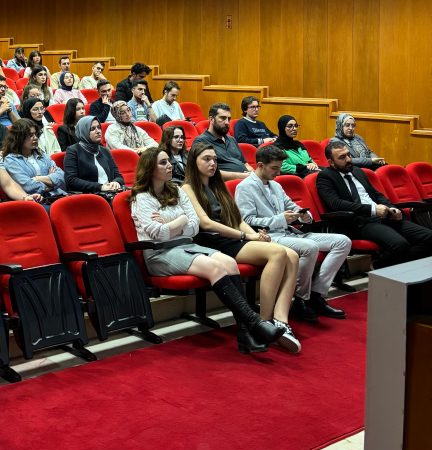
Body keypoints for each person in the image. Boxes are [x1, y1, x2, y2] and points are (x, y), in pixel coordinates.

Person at [131, 147, 283, 355]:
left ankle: (245, 333)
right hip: (160, 253)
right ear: (150, 168)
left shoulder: (176, 190)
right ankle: (253, 324)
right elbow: (159, 234)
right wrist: (181, 220)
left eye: (169, 161)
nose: (170, 166)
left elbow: (194, 227)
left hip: (187, 245)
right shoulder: (142, 198)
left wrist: (174, 222)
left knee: (229, 262)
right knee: (214, 267)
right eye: (163, 163)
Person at [182, 143, 301, 352]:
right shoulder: (188, 188)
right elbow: (206, 223)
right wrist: (247, 236)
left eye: (215, 159)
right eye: (206, 159)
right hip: (212, 242)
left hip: (233, 237)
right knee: (278, 252)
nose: (212, 163)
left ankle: (280, 319)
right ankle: (262, 323)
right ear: (194, 162)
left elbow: (237, 219)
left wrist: (254, 236)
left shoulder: (218, 186)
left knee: (292, 256)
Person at [236, 145, 351, 320]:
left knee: (343, 241)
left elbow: (292, 206)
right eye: (274, 168)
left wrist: (304, 215)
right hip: (268, 237)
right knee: (310, 247)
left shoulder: (275, 185)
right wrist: (281, 219)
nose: (278, 172)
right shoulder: (245, 187)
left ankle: (316, 294)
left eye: (279, 168)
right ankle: (300, 299)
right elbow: (247, 222)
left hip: (289, 233)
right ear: (260, 165)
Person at [317, 140, 432, 268]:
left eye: (348, 155)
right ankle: (388, 268)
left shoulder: (358, 171)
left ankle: (384, 264)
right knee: (400, 245)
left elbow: (377, 195)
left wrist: (392, 208)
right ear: (331, 162)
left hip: (384, 216)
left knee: (429, 237)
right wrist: (372, 209)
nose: (349, 159)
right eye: (342, 157)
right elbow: (336, 204)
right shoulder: (325, 177)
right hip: (360, 222)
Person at [1, 119, 66, 204]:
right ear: (19, 137)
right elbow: (29, 187)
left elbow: (62, 176)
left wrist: (37, 178)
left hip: (58, 195)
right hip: (36, 202)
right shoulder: (11, 160)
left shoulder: (41, 154)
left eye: (35, 134)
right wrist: (51, 181)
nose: (35, 137)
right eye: (30, 135)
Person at [63, 116, 124, 196]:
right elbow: (71, 180)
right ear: (84, 131)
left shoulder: (104, 151)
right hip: (90, 196)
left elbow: (118, 175)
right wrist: (100, 187)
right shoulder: (73, 151)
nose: (98, 131)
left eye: (99, 127)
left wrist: (116, 182)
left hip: (110, 193)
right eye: (92, 129)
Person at [192, 103, 251, 180]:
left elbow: (245, 163)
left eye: (229, 119)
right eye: (222, 118)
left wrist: (252, 173)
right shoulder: (201, 141)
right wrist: (241, 176)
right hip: (222, 186)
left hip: (244, 181)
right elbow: (205, 171)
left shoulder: (231, 139)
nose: (227, 122)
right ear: (211, 119)